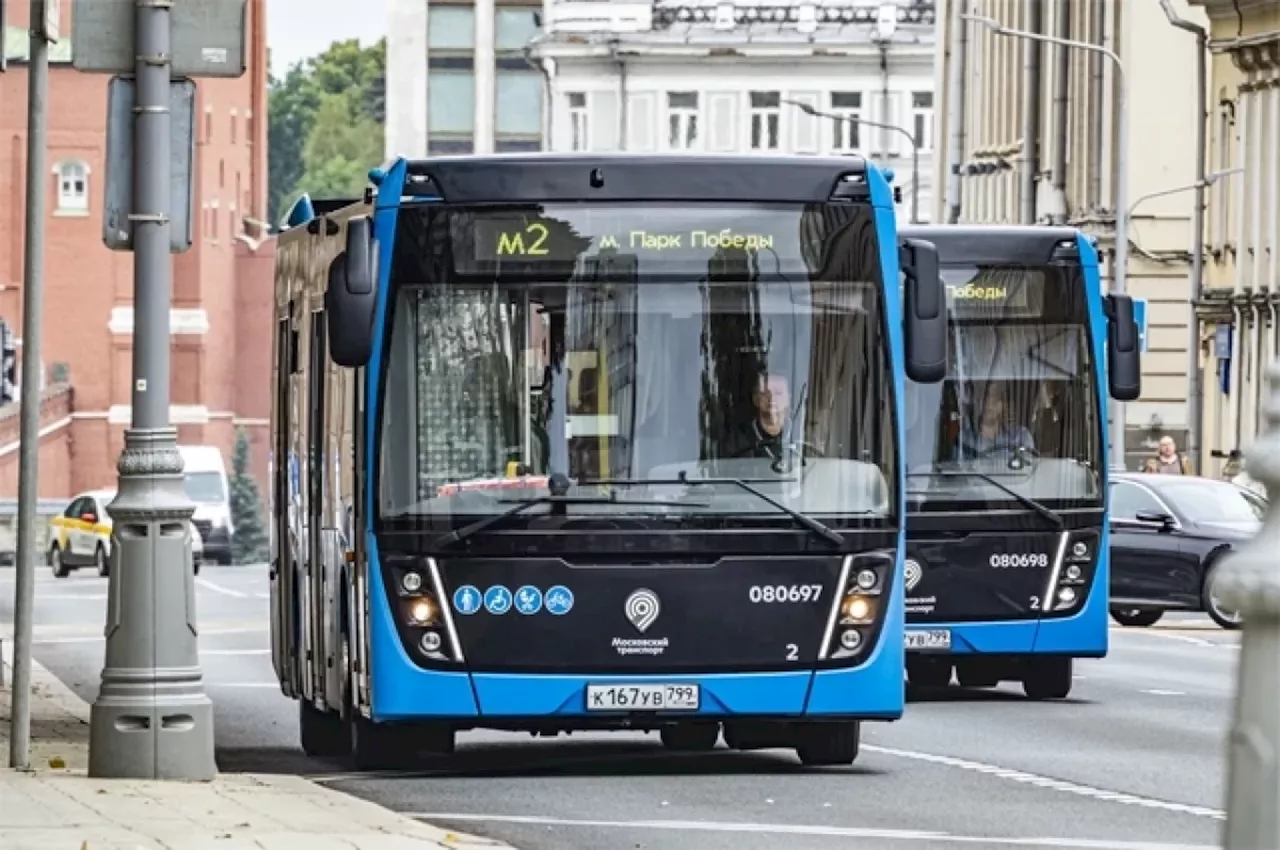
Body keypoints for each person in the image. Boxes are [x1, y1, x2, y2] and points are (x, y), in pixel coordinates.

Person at [723, 372, 794, 461]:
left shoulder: (799, 433)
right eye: (765, 393)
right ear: (756, 399)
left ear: (788, 399)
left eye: (778, 393)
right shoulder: (737, 440)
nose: (772, 398)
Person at [954, 385, 1036, 461]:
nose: (988, 405)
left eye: (994, 400)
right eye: (983, 399)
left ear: (1001, 405)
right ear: (976, 404)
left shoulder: (1021, 437)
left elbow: (1028, 470)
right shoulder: (964, 440)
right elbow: (955, 472)